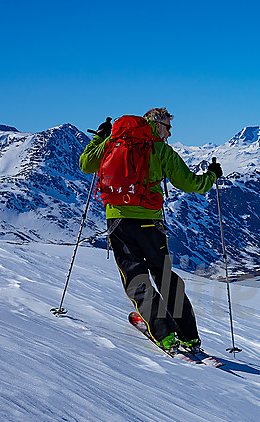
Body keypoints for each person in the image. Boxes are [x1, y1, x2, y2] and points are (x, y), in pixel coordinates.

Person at [79, 108, 223, 352]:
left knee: (136, 277)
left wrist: (100, 138)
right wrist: (211, 176)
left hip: (119, 221)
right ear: (157, 125)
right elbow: (189, 183)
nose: (169, 133)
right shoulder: (161, 150)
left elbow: (86, 165)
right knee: (164, 276)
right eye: (168, 127)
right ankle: (188, 335)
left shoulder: (112, 143)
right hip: (151, 223)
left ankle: (163, 333)